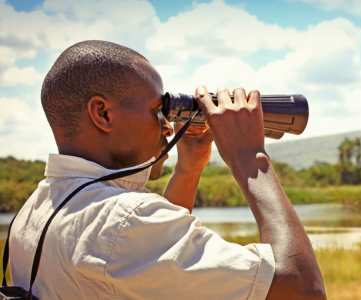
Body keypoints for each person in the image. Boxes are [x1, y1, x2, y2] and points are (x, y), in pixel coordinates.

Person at [8, 40, 326, 300]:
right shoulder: (121, 222)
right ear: (102, 113)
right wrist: (250, 157)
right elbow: (301, 289)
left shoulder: (38, 207)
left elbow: (153, 265)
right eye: (156, 111)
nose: (168, 126)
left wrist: (188, 170)